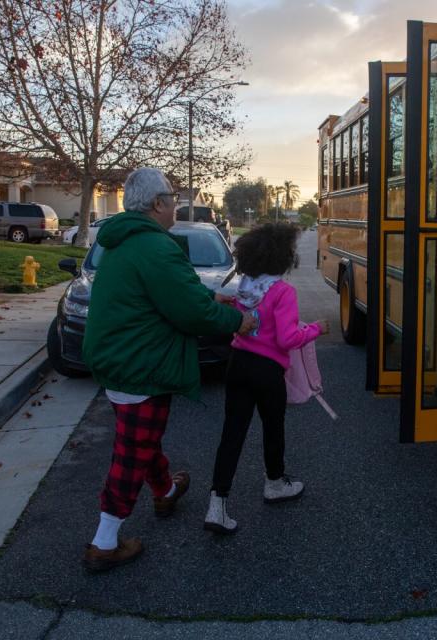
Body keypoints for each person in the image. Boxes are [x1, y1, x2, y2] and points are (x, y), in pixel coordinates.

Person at [80, 167, 256, 572]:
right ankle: (104, 542)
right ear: (157, 203)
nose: (176, 202)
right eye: (173, 196)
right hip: (139, 363)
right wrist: (236, 322)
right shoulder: (155, 247)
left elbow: (172, 290)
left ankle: (164, 490)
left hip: (118, 356)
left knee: (142, 437)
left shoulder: (129, 242)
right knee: (132, 450)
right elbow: (189, 310)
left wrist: (215, 296)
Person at [204, 223, 329, 534]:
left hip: (238, 364)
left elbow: (241, 314)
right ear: (282, 258)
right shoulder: (283, 292)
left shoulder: (245, 286)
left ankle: (216, 504)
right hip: (268, 371)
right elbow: (287, 339)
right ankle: (274, 483)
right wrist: (316, 329)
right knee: (273, 427)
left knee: (232, 433)